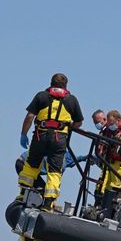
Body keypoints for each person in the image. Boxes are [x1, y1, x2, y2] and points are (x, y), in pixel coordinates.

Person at [17, 73, 84, 210]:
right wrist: (67, 126)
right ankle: (48, 204)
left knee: (31, 165)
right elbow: (78, 123)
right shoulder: (71, 100)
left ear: (51, 83)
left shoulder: (41, 96)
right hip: (59, 139)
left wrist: (23, 134)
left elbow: (30, 116)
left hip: (40, 135)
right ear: (65, 85)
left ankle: (23, 195)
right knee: (54, 171)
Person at [93, 110, 121, 214]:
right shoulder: (111, 130)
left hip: (120, 167)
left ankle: (110, 213)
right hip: (108, 165)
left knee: (114, 191)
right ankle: (99, 210)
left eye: (112, 123)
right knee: (101, 188)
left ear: (118, 121)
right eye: (109, 124)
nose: (110, 126)